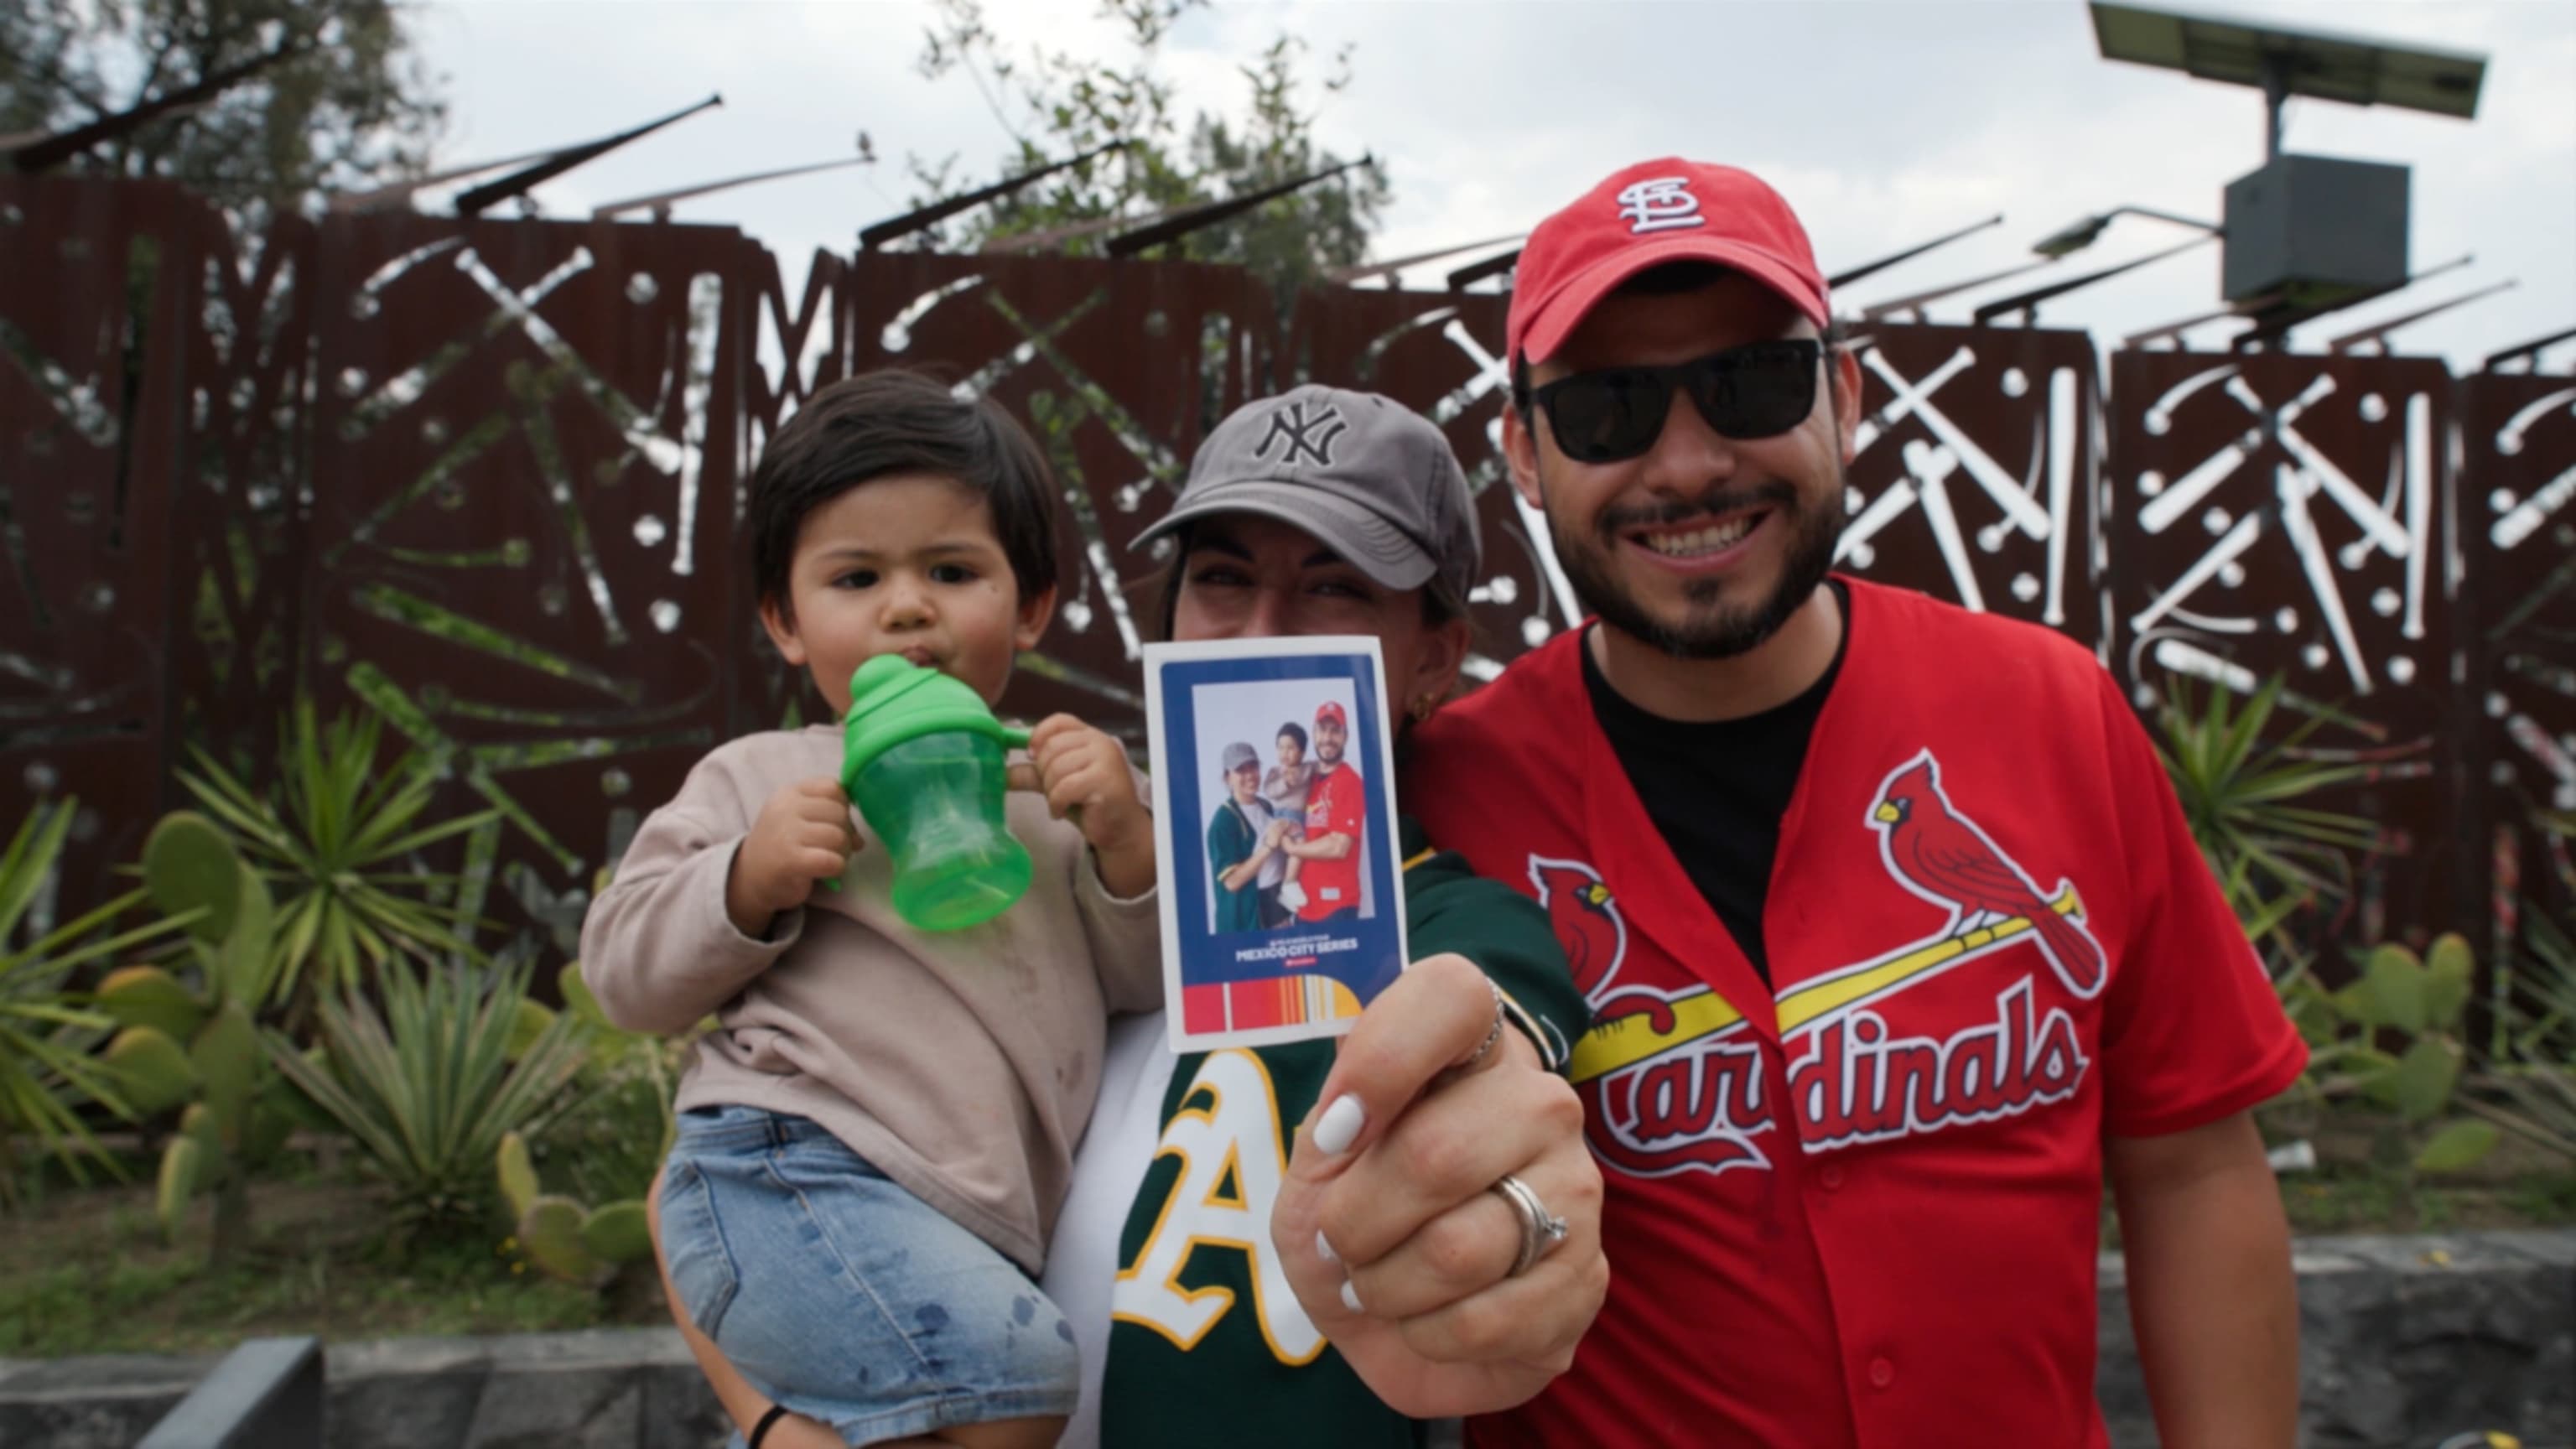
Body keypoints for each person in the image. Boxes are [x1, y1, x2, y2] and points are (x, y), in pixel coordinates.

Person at [1408, 158, 2305, 1447]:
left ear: (1844, 394)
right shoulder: (1452, 795)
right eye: (1606, 410)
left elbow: (2195, 1164)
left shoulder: (2054, 714)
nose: (1688, 462)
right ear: (1525, 455)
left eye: (1752, 383)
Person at [649, 382, 1609, 1449]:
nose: (1261, 631)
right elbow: (716, 1183)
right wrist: (774, 1425)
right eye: (1222, 581)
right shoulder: (1044, 869)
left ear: (1432, 655)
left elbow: (1494, 1034)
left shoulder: (1446, 924)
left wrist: (1508, 1181)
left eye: (1336, 590)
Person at [583, 371, 1161, 1449]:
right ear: (786, 621)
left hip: (964, 1229)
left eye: (952, 569)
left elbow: (1146, 990)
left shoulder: (1051, 788)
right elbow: (619, 974)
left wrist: (1127, 842)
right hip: (785, 1168)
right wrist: (745, 882)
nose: (907, 607)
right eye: (856, 577)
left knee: (975, 1405)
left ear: (1028, 605)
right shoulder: (760, 778)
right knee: (1022, 1385)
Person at [1283, 699, 1368, 923]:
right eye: (1322, 730)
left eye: (1335, 731)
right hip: (1304, 907)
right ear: (1313, 733)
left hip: (1336, 907)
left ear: (1345, 736)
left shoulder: (1349, 781)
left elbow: (1339, 846)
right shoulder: (1307, 779)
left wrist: (1293, 848)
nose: (1328, 738)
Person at [1207, 740, 1291, 932]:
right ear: (1228, 778)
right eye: (1241, 770)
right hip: (1246, 920)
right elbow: (1232, 882)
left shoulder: (1265, 806)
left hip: (1276, 907)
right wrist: (1268, 847)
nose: (1250, 775)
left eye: (1253, 767)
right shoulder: (1223, 823)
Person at [1263, 724, 1315, 917]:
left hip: (1299, 819)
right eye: (1281, 747)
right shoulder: (1275, 772)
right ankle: (1289, 884)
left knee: (1295, 857)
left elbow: (1318, 769)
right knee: (1300, 845)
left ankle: (1287, 893)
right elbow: (1269, 791)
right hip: (1281, 818)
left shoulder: (1307, 768)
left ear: (1302, 752)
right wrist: (1285, 782)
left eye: (1291, 748)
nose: (1285, 752)